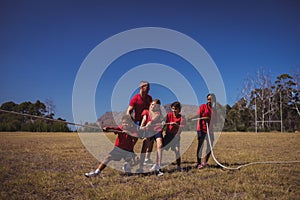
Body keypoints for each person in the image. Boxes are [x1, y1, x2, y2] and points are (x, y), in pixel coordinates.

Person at [126, 81, 154, 165]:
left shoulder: (149, 98)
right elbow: (128, 111)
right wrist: (130, 121)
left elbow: (151, 109)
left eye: (149, 87)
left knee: (150, 140)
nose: (149, 89)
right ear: (142, 87)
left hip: (147, 122)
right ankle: (131, 157)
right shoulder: (135, 98)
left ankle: (146, 159)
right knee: (133, 140)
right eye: (147, 87)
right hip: (137, 122)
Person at [189, 93, 217, 169]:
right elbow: (198, 115)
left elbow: (215, 121)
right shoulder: (203, 107)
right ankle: (198, 163)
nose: (209, 101)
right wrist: (191, 118)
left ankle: (205, 162)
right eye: (208, 99)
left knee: (210, 146)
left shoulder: (214, 110)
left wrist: (209, 119)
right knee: (200, 146)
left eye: (211, 99)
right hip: (201, 129)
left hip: (210, 130)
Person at [138, 99, 164, 176]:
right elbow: (144, 119)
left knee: (160, 146)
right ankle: (140, 167)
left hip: (157, 130)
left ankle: (158, 167)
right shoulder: (146, 111)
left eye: (155, 105)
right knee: (144, 147)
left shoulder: (158, 113)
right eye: (152, 104)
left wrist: (160, 123)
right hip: (148, 131)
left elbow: (156, 118)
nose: (153, 106)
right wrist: (142, 126)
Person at [163, 101, 186, 172]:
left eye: (175, 109)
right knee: (160, 149)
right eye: (172, 109)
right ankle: (157, 164)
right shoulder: (169, 115)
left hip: (176, 136)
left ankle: (179, 166)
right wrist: (163, 123)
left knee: (177, 150)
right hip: (168, 135)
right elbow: (164, 123)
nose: (173, 111)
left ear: (179, 110)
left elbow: (182, 128)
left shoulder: (182, 118)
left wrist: (176, 125)